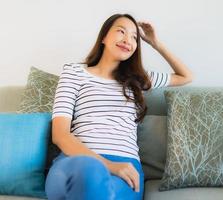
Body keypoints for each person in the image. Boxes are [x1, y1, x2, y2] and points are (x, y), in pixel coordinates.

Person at [45, 13, 193, 200]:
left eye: (134, 37)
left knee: (100, 191)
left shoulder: (139, 80)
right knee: (90, 175)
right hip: (76, 160)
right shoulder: (74, 73)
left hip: (126, 167)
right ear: (104, 37)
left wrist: (155, 43)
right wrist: (108, 165)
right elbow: (60, 135)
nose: (127, 40)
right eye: (121, 31)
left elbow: (186, 76)